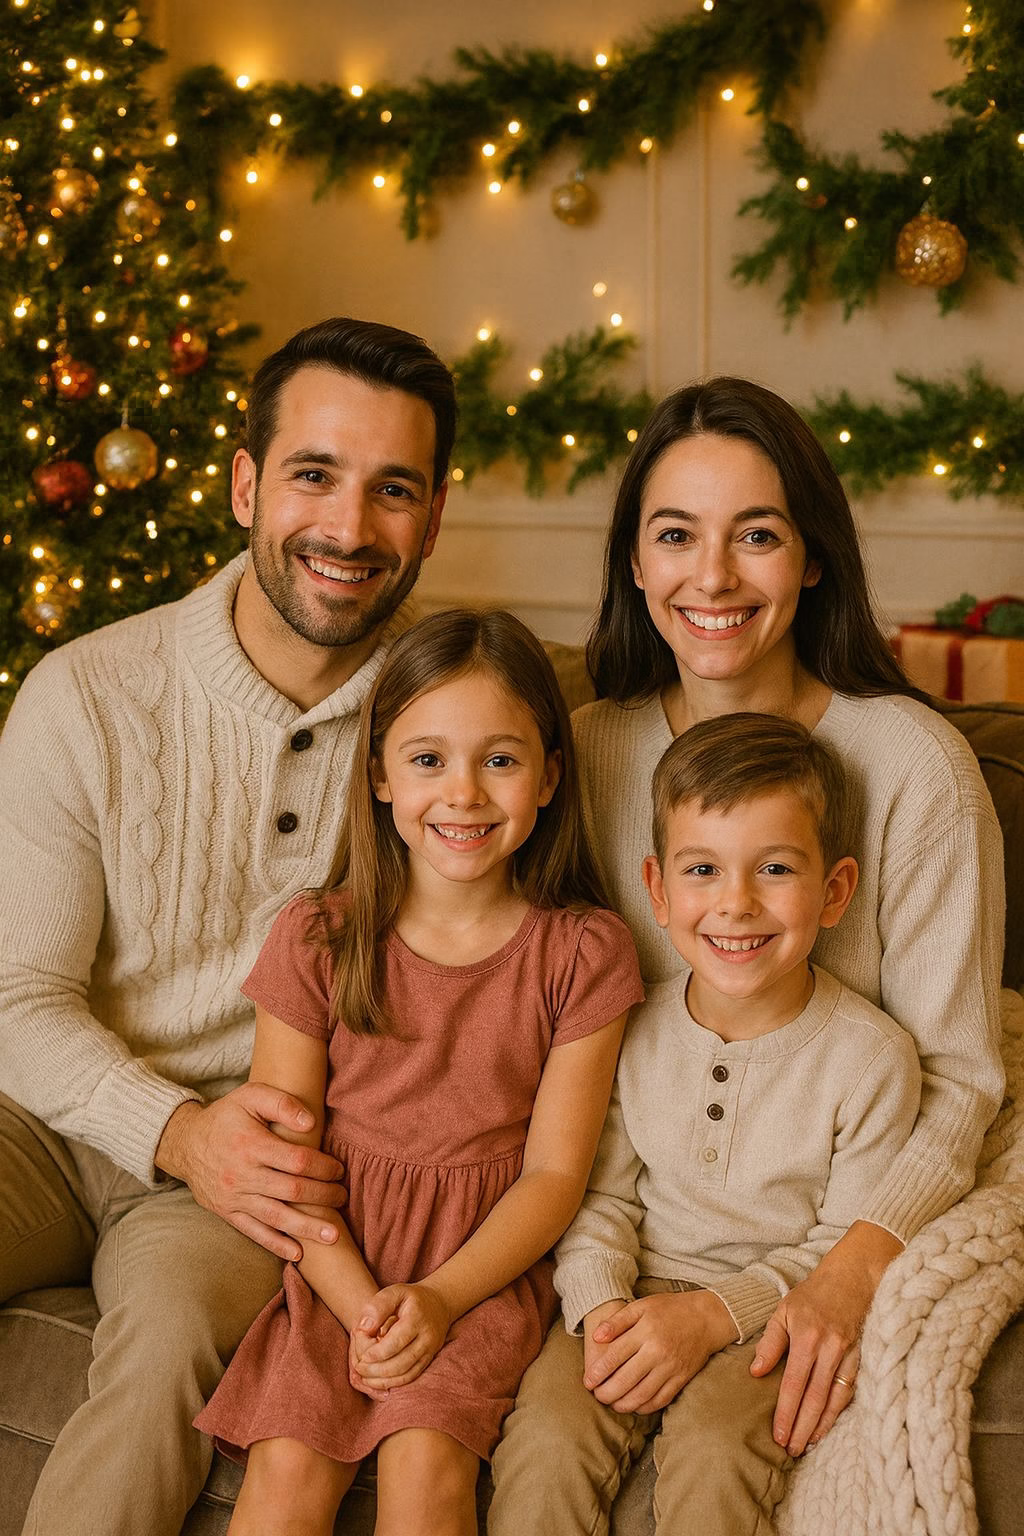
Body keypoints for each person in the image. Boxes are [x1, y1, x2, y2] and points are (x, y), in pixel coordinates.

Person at [489, 375, 1008, 1516]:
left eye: (757, 537)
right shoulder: (576, 757)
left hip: (804, 1229)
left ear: (813, 557)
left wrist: (842, 1275)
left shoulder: (914, 770)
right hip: (620, 1228)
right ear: (634, 562)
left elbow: (960, 1082)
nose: (712, 577)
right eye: (675, 536)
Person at [0, 315, 458, 1536]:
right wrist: (175, 1127)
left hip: (250, 1182)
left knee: (159, 1352)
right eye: (313, 474)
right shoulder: (88, 694)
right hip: (47, 1122)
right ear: (246, 484)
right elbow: (16, 1000)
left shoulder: (461, 715)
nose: (349, 530)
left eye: (392, 491)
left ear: (434, 515)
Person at [192, 607, 644, 1536]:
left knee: (426, 1467)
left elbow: (556, 1175)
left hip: (480, 1272)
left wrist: (439, 1300)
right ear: (380, 774)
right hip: (334, 1264)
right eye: (429, 759)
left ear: (553, 773)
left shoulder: (583, 951)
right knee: (284, 1480)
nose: (465, 793)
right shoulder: (319, 935)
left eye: (502, 760)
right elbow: (286, 1166)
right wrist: (362, 1306)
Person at [494, 713, 921, 1535]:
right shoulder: (626, 1027)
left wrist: (720, 1314)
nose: (736, 903)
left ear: (835, 891)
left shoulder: (871, 1059)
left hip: (773, 1315)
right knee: (543, 1445)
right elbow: (598, 1196)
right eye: (702, 869)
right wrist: (598, 1305)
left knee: (718, 1458)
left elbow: (844, 1244)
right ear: (658, 890)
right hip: (627, 1296)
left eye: (773, 869)